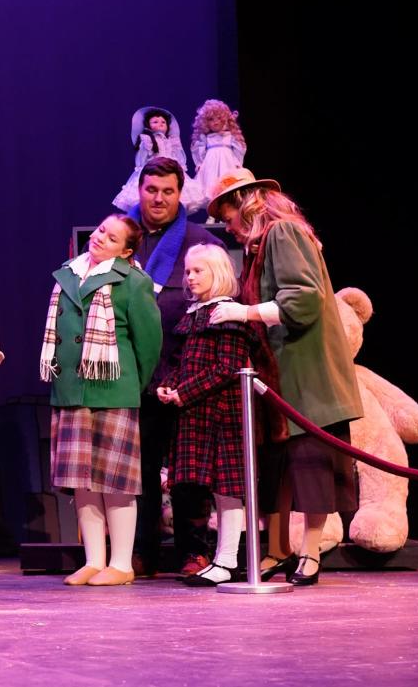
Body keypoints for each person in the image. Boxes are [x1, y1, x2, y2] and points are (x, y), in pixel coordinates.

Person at [208, 169, 363, 586]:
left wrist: (246, 312)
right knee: (285, 471)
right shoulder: (261, 247)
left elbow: (303, 300)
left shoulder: (283, 234)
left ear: (245, 205)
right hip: (281, 381)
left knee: (312, 467)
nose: (229, 229)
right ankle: (284, 551)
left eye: (228, 218)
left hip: (308, 379)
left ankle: (310, 553)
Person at [40, 214, 162, 586]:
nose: (99, 238)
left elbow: (149, 343)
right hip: (71, 390)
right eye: (99, 231)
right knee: (82, 481)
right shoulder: (67, 274)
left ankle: (122, 563)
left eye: (110, 238)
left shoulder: (133, 282)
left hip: (113, 390)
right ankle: (95, 559)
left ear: (125, 252)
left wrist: (130, 384)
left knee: (116, 481)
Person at [124, 156, 222, 577]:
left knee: (189, 471)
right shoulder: (119, 239)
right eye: (151, 190)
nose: (159, 198)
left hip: (187, 376)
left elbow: (216, 302)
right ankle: (141, 549)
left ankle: (193, 551)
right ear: (139, 190)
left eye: (168, 191)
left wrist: (188, 376)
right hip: (134, 377)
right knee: (139, 471)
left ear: (180, 194)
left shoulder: (200, 241)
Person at [157, 244, 265, 586]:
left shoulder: (228, 314)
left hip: (222, 414)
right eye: (188, 271)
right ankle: (218, 558)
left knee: (227, 489)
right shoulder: (193, 315)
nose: (190, 277)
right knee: (208, 490)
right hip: (195, 414)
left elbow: (227, 367)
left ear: (217, 272)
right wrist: (169, 386)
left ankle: (228, 559)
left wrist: (184, 392)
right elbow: (182, 362)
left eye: (197, 271)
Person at [112, 107, 200, 213]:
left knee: (173, 194)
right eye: (155, 122)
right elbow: (142, 159)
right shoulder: (147, 140)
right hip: (153, 170)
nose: (161, 124)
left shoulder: (172, 140)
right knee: (152, 194)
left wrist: (180, 168)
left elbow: (179, 157)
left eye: (163, 122)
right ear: (148, 125)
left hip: (170, 170)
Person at [189, 100, 248, 215]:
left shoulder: (230, 136)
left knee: (226, 187)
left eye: (218, 118)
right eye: (211, 119)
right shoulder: (206, 138)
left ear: (224, 119)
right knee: (211, 186)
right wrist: (199, 163)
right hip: (211, 164)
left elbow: (239, 150)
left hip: (227, 163)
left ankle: (226, 213)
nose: (215, 122)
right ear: (205, 122)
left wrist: (237, 163)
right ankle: (212, 213)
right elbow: (199, 152)